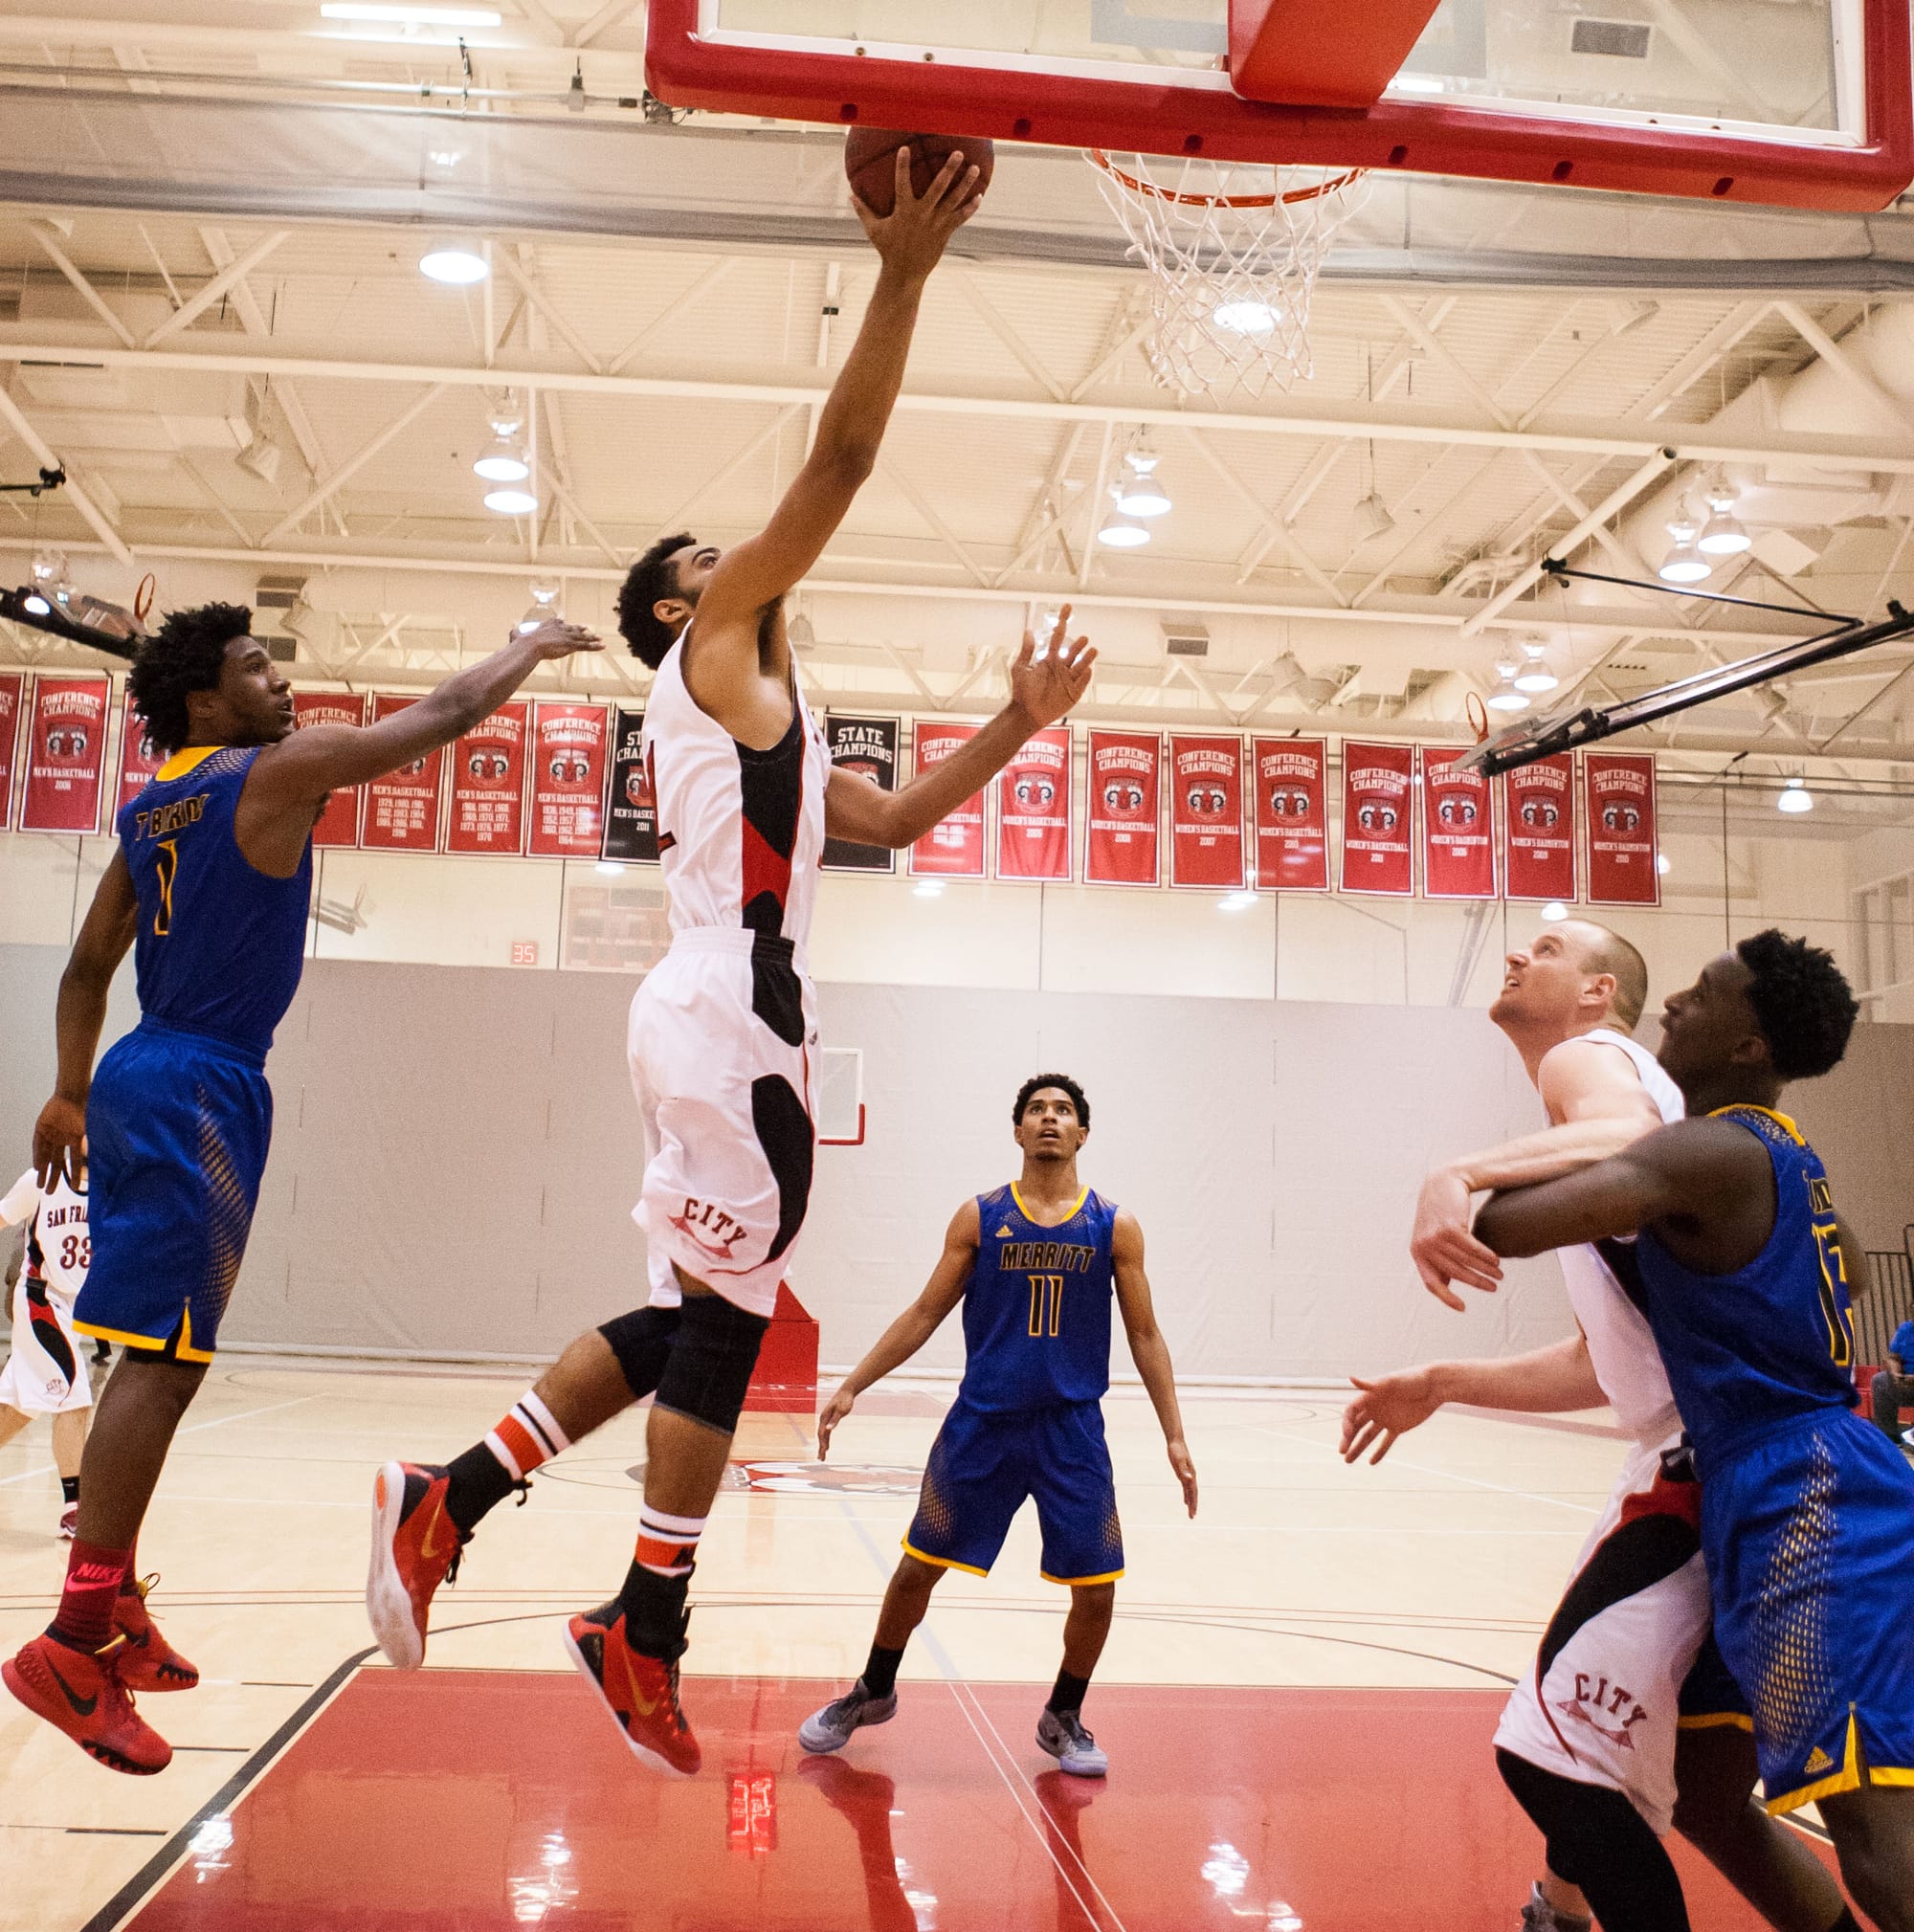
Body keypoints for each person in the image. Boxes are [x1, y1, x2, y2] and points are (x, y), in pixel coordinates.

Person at [366, 147, 1099, 1779]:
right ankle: (644, 1621)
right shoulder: (715, 650)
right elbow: (838, 461)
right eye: (716, 557)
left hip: (714, 1006)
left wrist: (1019, 726)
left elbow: (892, 814)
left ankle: (456, 1494)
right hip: (729, 1006)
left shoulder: (770, 713)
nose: (745, 561)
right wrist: (903, 272)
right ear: (686, 604)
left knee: (693, 1310)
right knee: (728, 1321)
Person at [2, 597, 600, 1777]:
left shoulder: (148, 805)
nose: (282, 678)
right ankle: (74, 1638)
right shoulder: (269, 772)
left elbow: (82, 968)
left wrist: (70, 1091)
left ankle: (110, 1607)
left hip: (136, 1067)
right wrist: (528, 645)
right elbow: (447, 713)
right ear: (204, 701)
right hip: (203, 1082)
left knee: (153, 1355)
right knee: (162, 1365)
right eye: (255, 662)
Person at [1346, 921, 1856, 1932]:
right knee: (1673, 1788)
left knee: (1557, 1757)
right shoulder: (1630, 1114)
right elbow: (1610, 1364)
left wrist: (1456, 1173)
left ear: (1597, 995)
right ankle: (1563, 1903)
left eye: (1542, 946)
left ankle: (1563, 1908)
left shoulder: (1597, 1062)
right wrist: (1447, 1378)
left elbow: (1626, 1137)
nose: (1511, 955)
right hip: (1703, 1459)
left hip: (1720, 1469)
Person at [1474, 930, 1914, 1932]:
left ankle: (1560, 1905)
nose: (1674, 1001)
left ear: (1751, 1044)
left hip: (1806, 1493)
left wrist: (1458, 1174)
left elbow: (1503, 1222)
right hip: (1768, 1483)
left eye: (1705, 993)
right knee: (1704, 1795)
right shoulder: (1796, 1173)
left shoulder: (1704, 1150)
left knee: (1874, 1835)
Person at [797, 1073, 1197, 1776]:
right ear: (1017, 1130)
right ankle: (873, 1688)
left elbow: (1144, 1331)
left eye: (1063, 1110)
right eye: (1037, 1110)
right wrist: (854, 1382)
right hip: (981, 1424)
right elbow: (924, 1313)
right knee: (917, 1568)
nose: (1050, 1118)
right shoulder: (980, 1217)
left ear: (1082, 1133)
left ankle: (1063, 1713)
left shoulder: (1114, 1224)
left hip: (1071, 1428)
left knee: (1098, 1585)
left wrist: (1174, 1432)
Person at [0, 1155, 95, 1539]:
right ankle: (75, 1508)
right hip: (40, 1299)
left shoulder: (112, 1182)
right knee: (75, 1397)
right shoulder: (40, 1179)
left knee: (20, 1407)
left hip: (76, 1307)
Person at [1871, 1318, 1914, 1449]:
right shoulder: (1905, 1329)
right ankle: (1889, 1438)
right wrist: (1896, 1373)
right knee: (1879, 1380)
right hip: (1905, 1384)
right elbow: (1892, 1358)